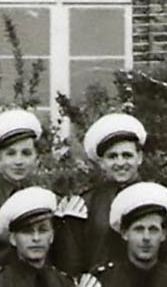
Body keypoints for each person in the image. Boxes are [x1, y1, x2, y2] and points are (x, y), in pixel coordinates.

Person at [0, 110, 82, 284]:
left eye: (26, 153)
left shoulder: (51, 202)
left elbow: (64, 263)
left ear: (36, 158)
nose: (18, 161)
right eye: (11, 153)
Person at [57, 112, 148, 275]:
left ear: (139, 157)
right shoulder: (85, 205)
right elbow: (72, 264)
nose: (120, 163)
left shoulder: (156, 198)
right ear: (102, 162)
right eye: (112, 156)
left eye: (127, 155)